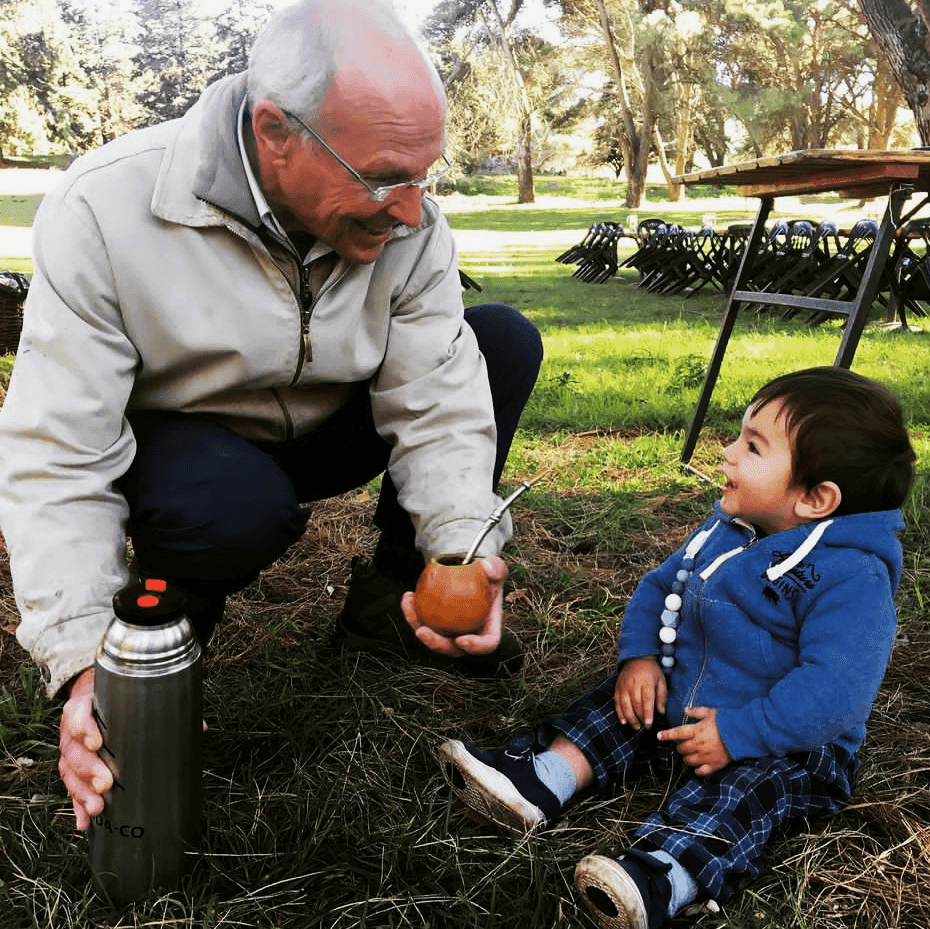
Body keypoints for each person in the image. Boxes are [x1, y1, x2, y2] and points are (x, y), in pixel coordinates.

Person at [0, 0, 542, 833]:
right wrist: (81, 658)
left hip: (327, 427)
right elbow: (59, 451)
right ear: (276, 131)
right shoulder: (104, 208)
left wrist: (460, 546)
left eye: (423, 174)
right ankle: (149, 655)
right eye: (384, 176)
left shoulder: (411, 222)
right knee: (226, 504)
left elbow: (436, 387)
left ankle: (392, 605)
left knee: (497, 341)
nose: (410, 210)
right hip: (190, 451)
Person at [440, 367, 916, 929]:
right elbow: (663, 585)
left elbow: (834, 694)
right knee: (619, 704)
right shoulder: (731, 528)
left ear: (816, 498)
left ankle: (664, 874)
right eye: (738, 436)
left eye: (753, 447)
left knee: (749, 794)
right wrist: (640, 657)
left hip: (784, 740)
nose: (728, 453)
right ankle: (544, 778)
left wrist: (741, 734)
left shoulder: (850, 577)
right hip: (684, 700)